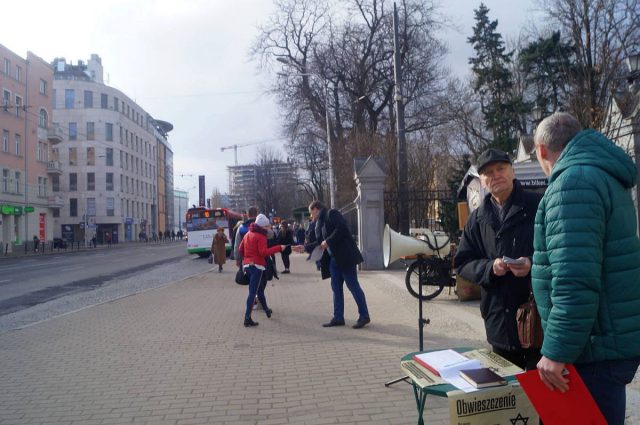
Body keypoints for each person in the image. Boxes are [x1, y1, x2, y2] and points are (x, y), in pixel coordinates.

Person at [531, 112, 640, 424]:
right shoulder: (601, 175)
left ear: (540, 150)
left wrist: (555, 353)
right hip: (602, 344)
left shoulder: (572, 183)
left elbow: (574, 280)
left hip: (589, 350)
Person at [454, 148, 542, 370]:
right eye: (488, 172)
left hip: (538, 317)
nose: (495, 175)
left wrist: (532, 263)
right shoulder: (477, 219)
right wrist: (489, 267)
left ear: (512, 171)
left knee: (540, 393)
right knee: (508, 391)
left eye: (501, 168)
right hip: (498, 318)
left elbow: (559, 252)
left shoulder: (538, 205)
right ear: (482, 181)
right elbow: (462, 262)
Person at [296, 200, 371, 329]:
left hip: (345, 257)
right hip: (334, 260)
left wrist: (328, 241)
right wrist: (304, 248)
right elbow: (320, 242)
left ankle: (364, 316)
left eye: (311, 213)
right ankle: (338, 317)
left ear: (316, 209)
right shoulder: (319, 223)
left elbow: (342, 228)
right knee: (336, 289)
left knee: (353, 286)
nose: (311, 216)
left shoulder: (332, 214)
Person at [238, 214, 285, 327]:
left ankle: (266, 310)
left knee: (258, 291)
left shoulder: (248, 234)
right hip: (257, 267)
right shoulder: (261, 236)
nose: (269, 228)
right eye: (268, 226)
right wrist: (279, 248)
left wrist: (247, 259)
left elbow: (240, 250)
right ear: (263, 226)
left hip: (247, 266)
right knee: (253, 292)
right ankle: (247, 318)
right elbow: (263, 252)